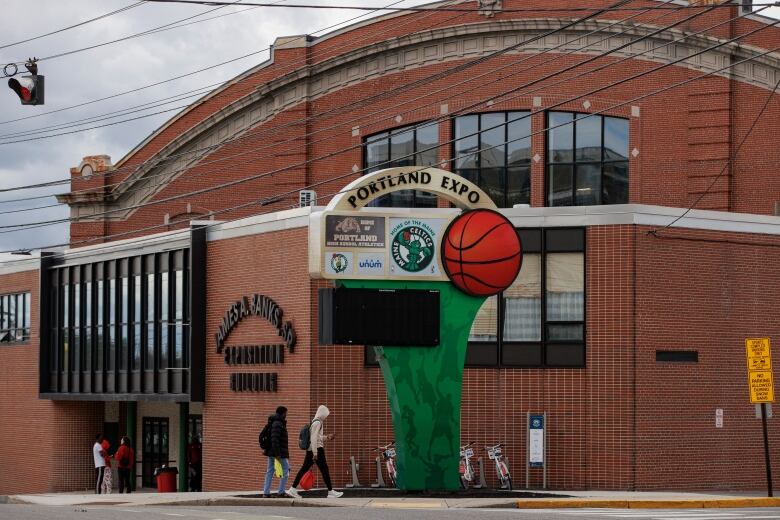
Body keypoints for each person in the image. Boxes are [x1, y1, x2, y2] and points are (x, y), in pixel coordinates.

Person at [287, 405, 342, 499]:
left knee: (305, 469)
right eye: (326, 414)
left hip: (312, 450)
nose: (326, 416)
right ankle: (330, 492)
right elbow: (313, 438)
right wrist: (315, 453)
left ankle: (292, 489)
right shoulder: (318, 423)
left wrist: (327, 437)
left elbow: (317, 437)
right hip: (317, 450)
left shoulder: (316, 421)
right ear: (322, 413)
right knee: (324, 470)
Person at [262, 406, 290, 498]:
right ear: (282, 413)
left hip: (272, 452)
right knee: (286, 469)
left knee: (270, 471)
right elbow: (275, 439)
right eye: (286, 413)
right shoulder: (278, 423)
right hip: (278, 453)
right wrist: (278, 454)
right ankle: (281, 492)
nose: (286, 415)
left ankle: (266, 493)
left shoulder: (274, 422)